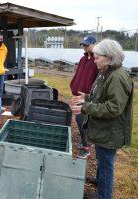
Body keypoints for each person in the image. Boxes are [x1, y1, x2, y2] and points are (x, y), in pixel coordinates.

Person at [71, 39, 133, 199]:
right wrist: (87, 97)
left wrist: (86, 107)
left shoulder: (117, 77)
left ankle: (104, 195)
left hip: (111, 130)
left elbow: (114, 107)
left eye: (98, 57)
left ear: (109, 57)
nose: (95, 60)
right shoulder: (106, 73)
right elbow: (101, 96)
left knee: (106, 164)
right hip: (102, 128)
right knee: (102, 160)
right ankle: (100, 185)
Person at [70, 35, 99, 159]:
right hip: (79, 94)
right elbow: (78, 75)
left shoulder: (97, 60)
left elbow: (98, 80)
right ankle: (86, 141)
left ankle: (86, 147)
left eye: (87, 44)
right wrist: (74, 86)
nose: (84, 46)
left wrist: (91, 95)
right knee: (80, 119)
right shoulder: (83, 59)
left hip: (87, 96)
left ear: (94, 44)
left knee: (81, 120)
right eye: (83, 44)